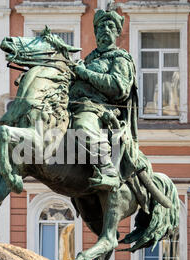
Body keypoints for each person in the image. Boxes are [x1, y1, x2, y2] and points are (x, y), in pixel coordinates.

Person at [69, 9, 139, 191]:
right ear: (96, 32)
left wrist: (85, 73)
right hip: (74, 105)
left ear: (117, 33)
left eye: (110, 26)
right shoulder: (89, 59)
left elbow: (118, 87)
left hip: (100, 109)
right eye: (101, 27)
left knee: (82, 127)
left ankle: (108, 170)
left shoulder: (120, 58)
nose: (105, 29)